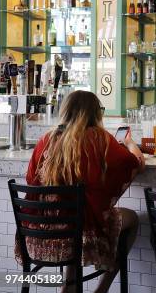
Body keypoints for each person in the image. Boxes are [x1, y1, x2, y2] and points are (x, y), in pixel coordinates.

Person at [18, 91, 145, 293]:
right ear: (95, 113)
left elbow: (31, 181)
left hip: (37, 234)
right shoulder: (100, 139)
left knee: (76, 215)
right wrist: (130, 144)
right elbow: (134, 163)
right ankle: (100, 290)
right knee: (132, 219)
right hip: (80, 235)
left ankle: (68, 287)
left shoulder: (46, 139)